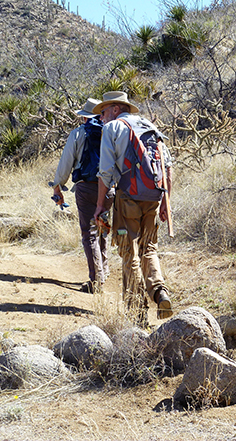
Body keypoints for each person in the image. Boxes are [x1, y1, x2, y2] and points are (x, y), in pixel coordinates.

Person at [92, 91, 174, 324]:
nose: (103, 117)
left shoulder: (113, 128)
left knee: (129, 251)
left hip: (127, 197)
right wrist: (166, 203)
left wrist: (100, 206)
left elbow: (105, 172)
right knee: (149, 248)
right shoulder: (150, 126)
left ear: (116, 109)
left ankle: (137, 311)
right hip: (154, 197)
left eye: (105, 111)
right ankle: (160, 292)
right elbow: (167, 166)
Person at [51, 98, 112, 294]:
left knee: (89, 233)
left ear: (85, 116)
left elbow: (66, 161)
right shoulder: (111, 130)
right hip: (110, 187)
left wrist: (58, 186)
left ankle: (96, 280)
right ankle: (105, 269)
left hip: (86, 188)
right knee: (103, 228)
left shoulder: (78, 134)